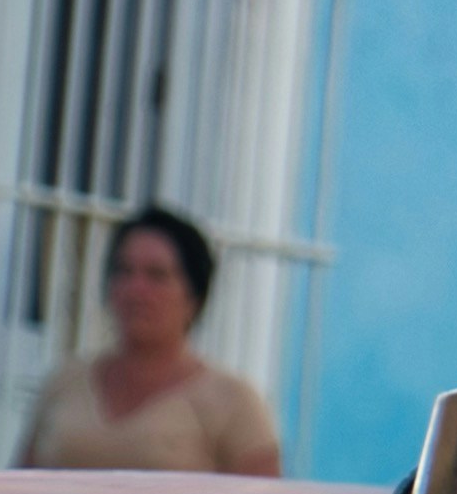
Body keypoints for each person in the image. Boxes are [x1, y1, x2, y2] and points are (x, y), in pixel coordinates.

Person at [15, 204, 280, 478]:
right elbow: (19, 489)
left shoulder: (234, 402)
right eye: (123, 271)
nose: (136, 289)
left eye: (157, 275)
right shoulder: (65, 382)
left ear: (193, 295)